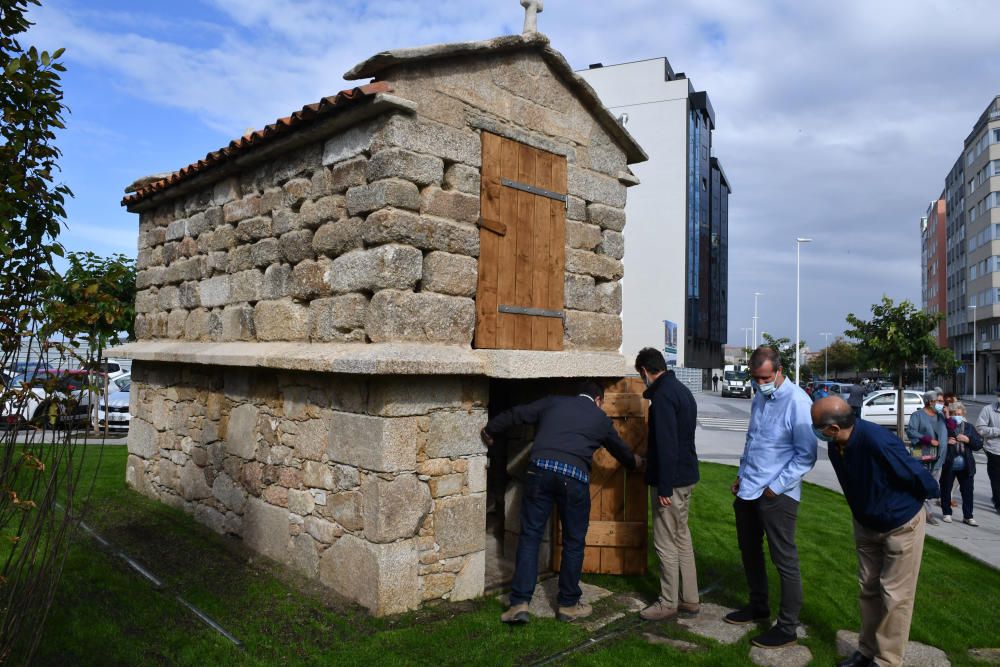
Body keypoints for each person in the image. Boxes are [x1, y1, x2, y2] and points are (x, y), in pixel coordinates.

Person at [481, 381, 642, 624]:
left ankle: (520, 603)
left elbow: (519, 414)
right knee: (574, 542)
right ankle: (567, 605)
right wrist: (635, 463)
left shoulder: (554, 401)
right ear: (598, 400)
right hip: (574, 479)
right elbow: (620, 450)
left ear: (579, 395)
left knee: (530, 536)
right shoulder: (599, 419)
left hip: (540, 471)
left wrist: (491, 429)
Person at [811, 396, 938, 667]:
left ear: (833, 428)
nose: (815, 430)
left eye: (817, 426)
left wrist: (904, 505)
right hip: (866, 524)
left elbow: (916, 475)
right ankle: (866, 651)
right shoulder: (837, 446)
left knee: (895, 595)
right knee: (868, 589)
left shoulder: (878, 440)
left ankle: (886, 660)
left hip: (900, 524)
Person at [726, 346, 817, 648]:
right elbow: (753, 440)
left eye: (764, 377)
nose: (759, 382)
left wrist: (776, 487)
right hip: (749, 488)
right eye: (755, 377)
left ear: (779, 371)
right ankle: (758, 605)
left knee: (784, 560)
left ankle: (788, 627)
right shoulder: (760, 399)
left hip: (777, 495)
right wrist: (741, 476)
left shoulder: (798, 402)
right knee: (749, 550)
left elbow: (806, 456)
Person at [634, 348, 700, 622]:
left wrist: (663, 487)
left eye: (641, 376)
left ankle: (668, 602)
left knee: (664, 542)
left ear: (644, 371)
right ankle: (690, 599)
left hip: (671, 481)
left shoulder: (661, 397)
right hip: (686, 476)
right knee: (682, 537)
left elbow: (667, 444)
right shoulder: (682, 390)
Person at [904, 390, 947, 525]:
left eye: (942, 401)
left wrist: (948, 415)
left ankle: (927, 512)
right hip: (922, 456)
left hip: (938, 458)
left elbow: (951, 429)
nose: (942, 404)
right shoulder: (918, 415)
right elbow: (911, 431)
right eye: (939, 401)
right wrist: (927, 439)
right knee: (920, 484)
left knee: (933, 485)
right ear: (930, 401)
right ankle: (918, 512)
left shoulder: (941, 416)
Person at [940, 401, 982, 526]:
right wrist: (946, 441)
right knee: (946, 489)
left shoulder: (969, 427)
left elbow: (978, 444)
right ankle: (947, 513)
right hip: (949, 463)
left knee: (968, 491)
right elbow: (938, 441)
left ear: (963, 414)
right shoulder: (945, 426)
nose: (956, 416)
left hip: (966, 465)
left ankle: (968, 516)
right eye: (953, 413)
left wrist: (968, 439)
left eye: (959, 413)